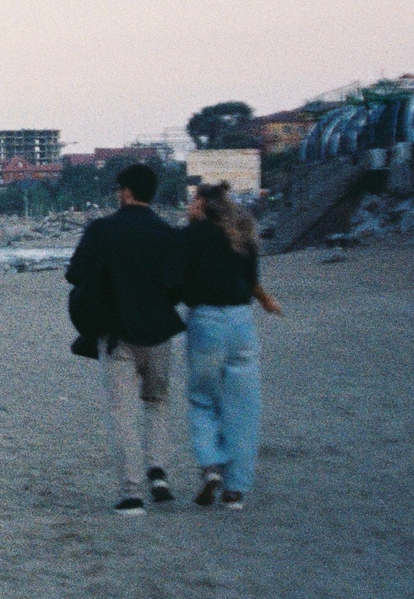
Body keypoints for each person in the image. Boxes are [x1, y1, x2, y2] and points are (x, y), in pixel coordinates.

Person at [63, 162, 186, 514]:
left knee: (122, 411)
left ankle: (131, 492)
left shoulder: (101, 230)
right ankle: (158, 472)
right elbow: (177, 283)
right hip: (159, 331)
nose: (118, 194)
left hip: (116, 331)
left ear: (127, 192)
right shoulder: (168, 233)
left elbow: (75, 274)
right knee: (157, 401)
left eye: (119, 189)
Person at [180, 182, 283, 511]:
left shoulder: (190, 236)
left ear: (202, 204)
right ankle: (235, 490)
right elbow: (252, 282)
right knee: (243, 407)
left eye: (192, 200)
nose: (188, 206)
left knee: (203, 399)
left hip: (205, 319)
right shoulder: (242, 235)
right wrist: (267, 302)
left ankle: (211, 465)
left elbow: (174, 279)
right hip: (241, 322)